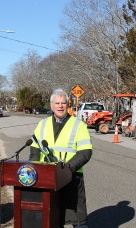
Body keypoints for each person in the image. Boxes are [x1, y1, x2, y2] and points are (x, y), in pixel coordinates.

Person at [29, 89, 93, 228]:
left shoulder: (79, 125)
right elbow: (34, 149)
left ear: (68, 105)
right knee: (53, 219)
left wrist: (66, 169)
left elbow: (85, 152)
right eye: (57, 103)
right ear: (51, 105)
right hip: (47, 179)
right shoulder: (42, 124)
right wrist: (35, 170)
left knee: (78, 220)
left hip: (71, 177)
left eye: (63, 103)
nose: (60, 106)